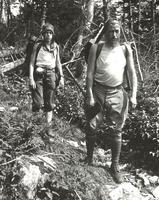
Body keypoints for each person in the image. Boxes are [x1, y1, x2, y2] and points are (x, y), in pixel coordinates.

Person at [84, 19, 137, 183]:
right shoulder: (96, 47)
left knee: (116, 130)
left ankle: (114, 166)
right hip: (98, 90)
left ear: (120, 31)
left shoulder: (126, 49)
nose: (114, 34)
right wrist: (90, 95)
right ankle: (89, 159)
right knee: (91, 125)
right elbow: (90, 73)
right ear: (105, 32)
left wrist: (133, 94)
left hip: (117, 92)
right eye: (110, 31)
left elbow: (132, 73)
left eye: (117, 31)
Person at [29, 22, 64, 136]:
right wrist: (31, 78)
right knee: (38, 103)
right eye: (46, 33)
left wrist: (61, 77)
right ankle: (34, 127)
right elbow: (31, 63)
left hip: (51, 74)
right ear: (43, 34)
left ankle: (48, 128)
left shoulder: (56, 47)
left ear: (53, 34)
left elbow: (58, 62)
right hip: (38, 75)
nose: (48, 35)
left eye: (50, 33)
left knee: (49, 103)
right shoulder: (38, 46)